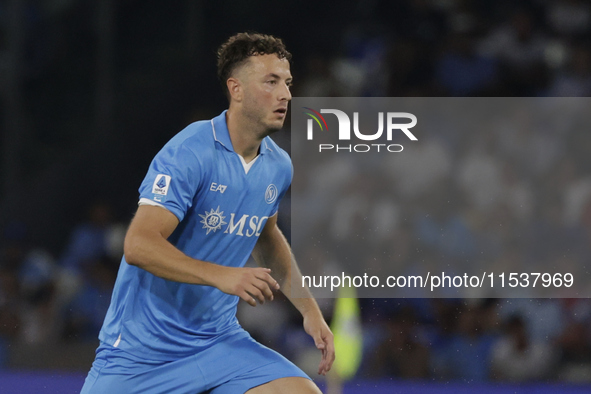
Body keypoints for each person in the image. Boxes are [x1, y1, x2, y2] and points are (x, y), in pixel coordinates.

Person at [80, 32, 334, 394]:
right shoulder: (190, 151)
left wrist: (309, 311)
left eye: (288, 83)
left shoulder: (279, 165)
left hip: (218, 343)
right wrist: (223, 276)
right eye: (272, 82)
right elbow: (138, 245)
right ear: (237, 89)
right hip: (142, 353)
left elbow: (267, 235)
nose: (286, 95)